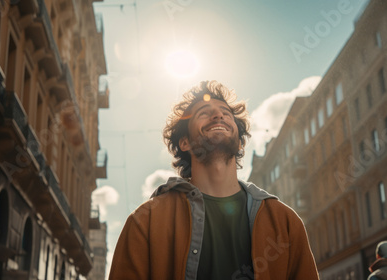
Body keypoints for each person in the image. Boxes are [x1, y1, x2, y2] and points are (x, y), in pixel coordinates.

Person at [108, 80, 319, 280]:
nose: (218, 115)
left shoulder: (285, 222)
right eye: (204, 113)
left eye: (226, 114)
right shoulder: (146, 221)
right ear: (185, 143)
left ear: (239, 144)